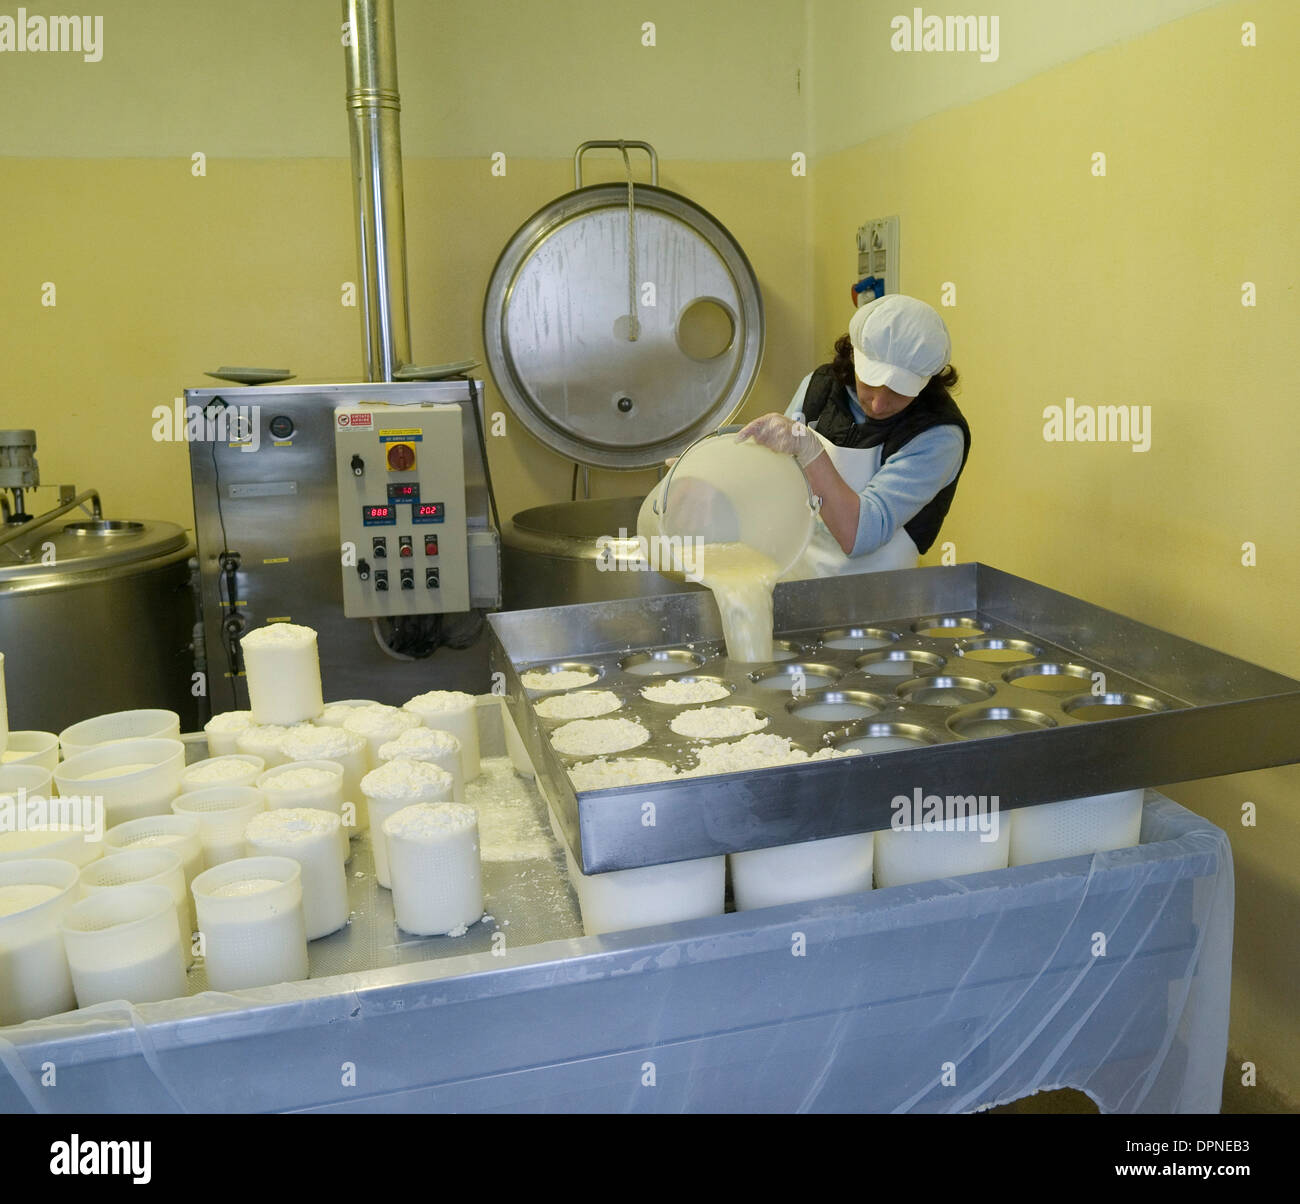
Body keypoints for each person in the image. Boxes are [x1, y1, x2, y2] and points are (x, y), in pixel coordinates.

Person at [737, 293, 970, 579]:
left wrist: (809, 449)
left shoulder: (938, 435)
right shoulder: (818, 389)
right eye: (870, 382)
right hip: (796, 581)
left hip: (878, 604)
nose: (878, 404)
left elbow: (858, 534)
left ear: (926, 381)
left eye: (900, 391)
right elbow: (776, 475)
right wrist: (717, 472)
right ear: (854, 357)